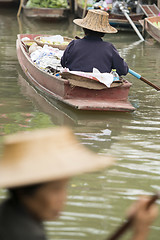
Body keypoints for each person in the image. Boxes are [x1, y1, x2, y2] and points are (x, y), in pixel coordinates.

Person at [0, 127, 158, 240]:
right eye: (55, 190)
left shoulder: (11, 213)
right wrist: (140, 232)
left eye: (64, 187)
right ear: (23, 191)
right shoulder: (26, 235)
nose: (63, 198)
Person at [61, 9, 128, 76]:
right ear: (103, 32)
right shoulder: (109, 48)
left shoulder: (74, 44)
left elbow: (63, 63)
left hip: (74, 79)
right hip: (100, 84)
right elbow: (123, 70)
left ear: (84, 29)